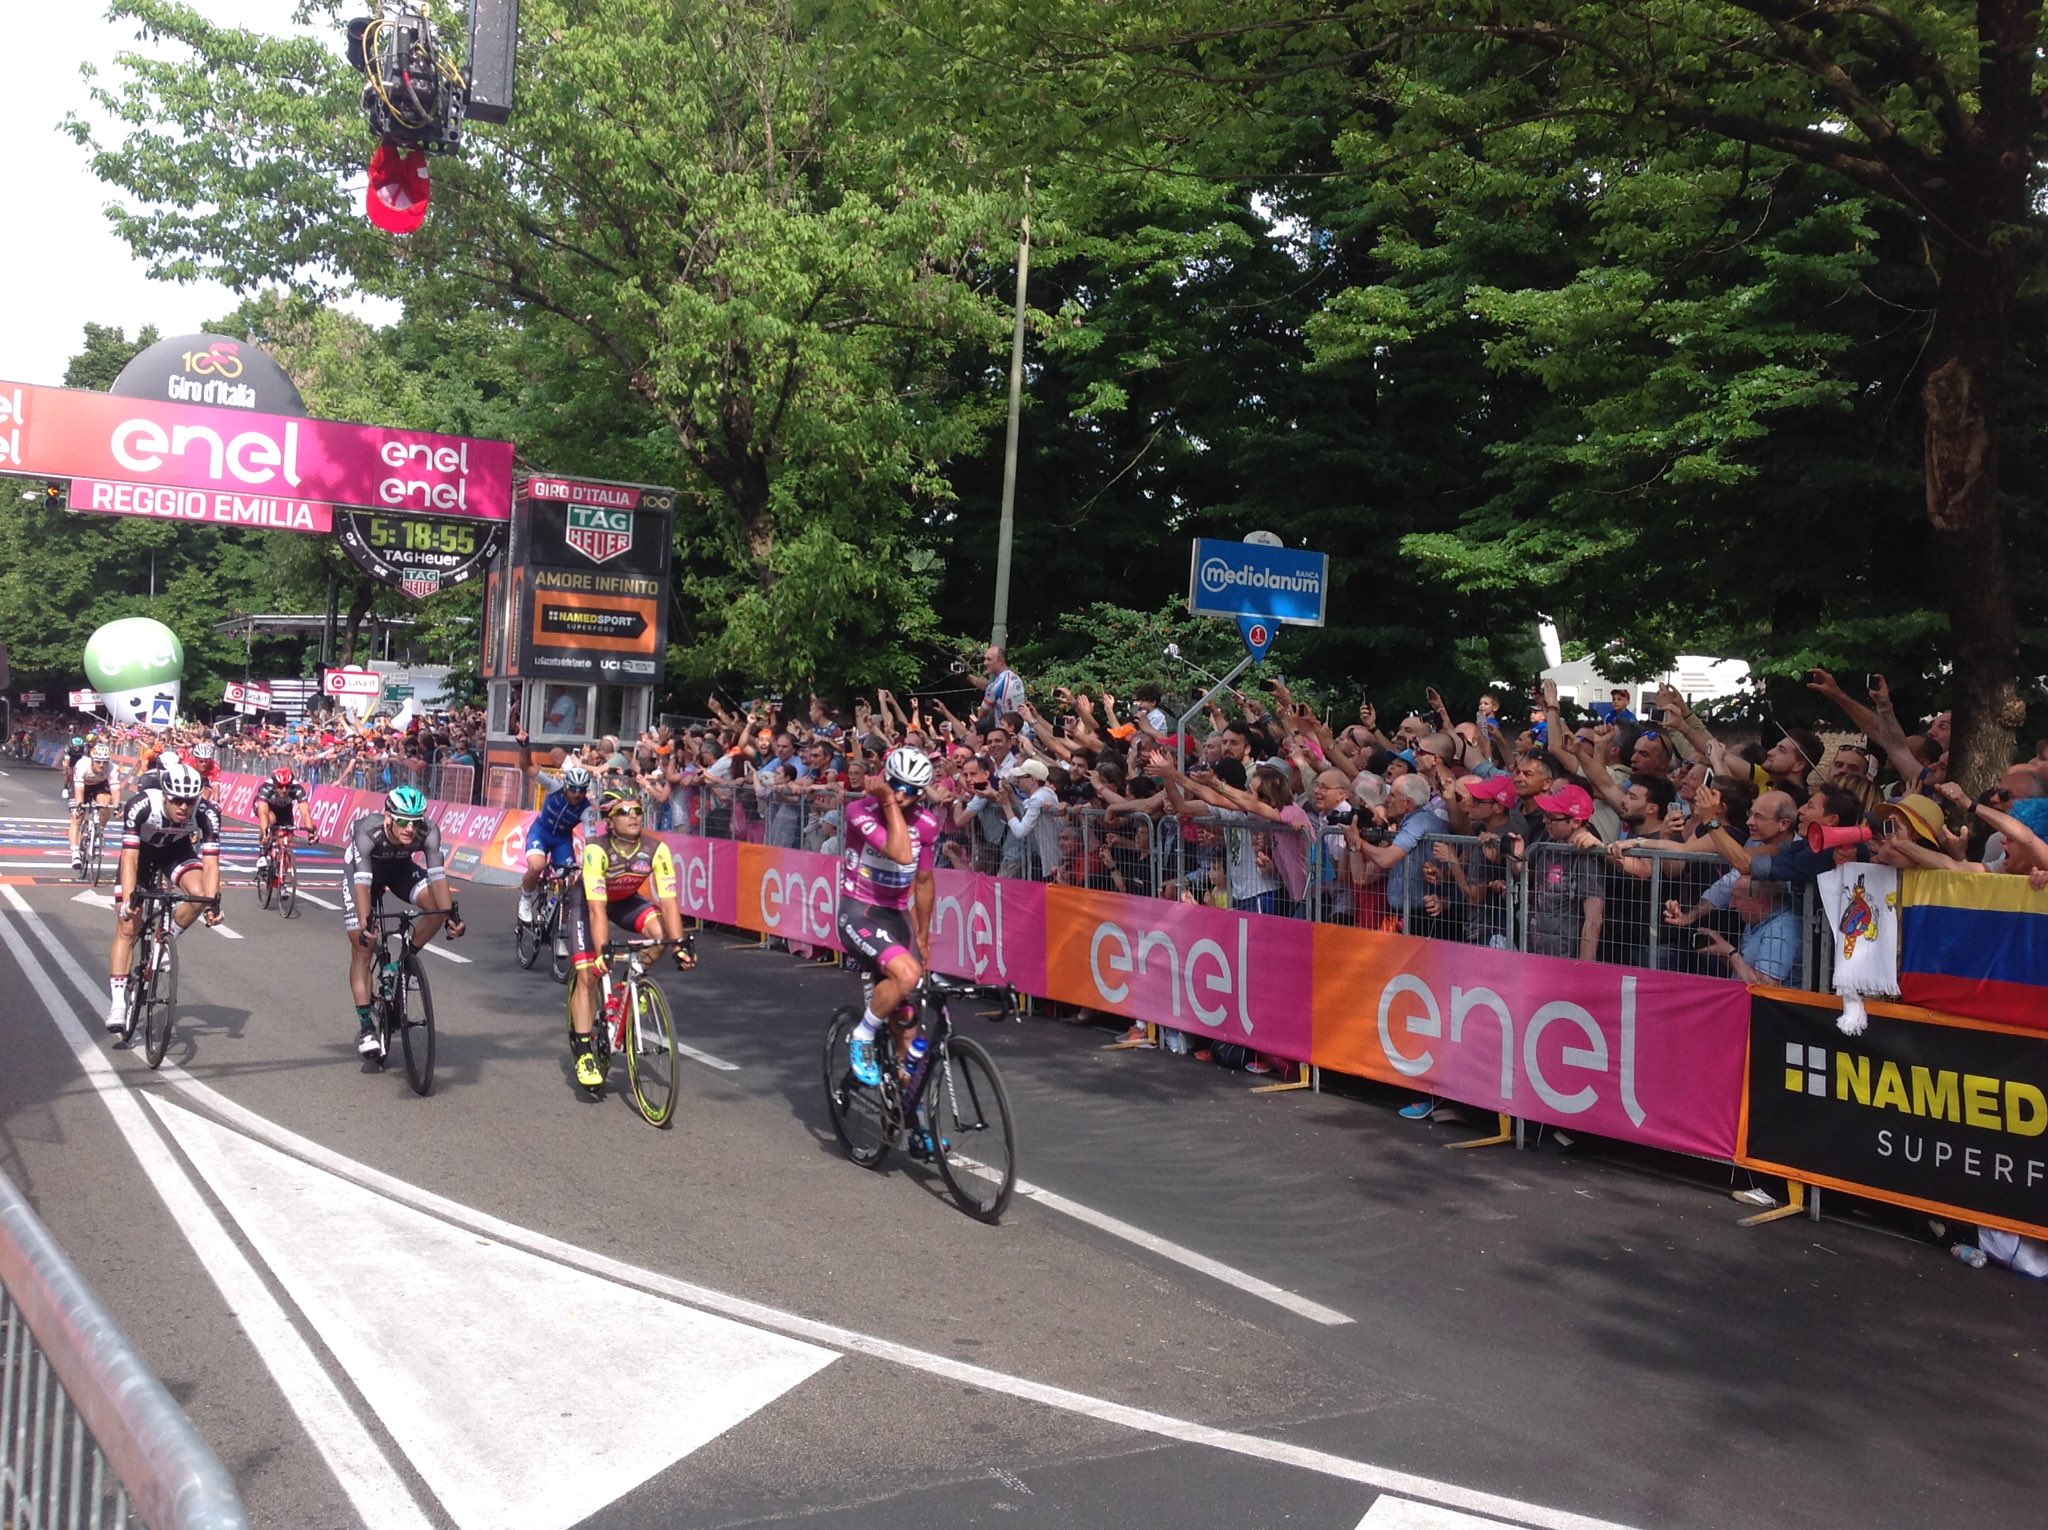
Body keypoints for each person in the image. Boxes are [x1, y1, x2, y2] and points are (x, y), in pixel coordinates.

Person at [564, 787, 694, 1088]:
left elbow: (669, 901)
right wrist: (603, 953)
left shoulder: (656, 849)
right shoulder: (596, 850)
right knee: (588, 975)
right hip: (589, 904)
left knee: (660, 935)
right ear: (609, 821)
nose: (633, 816)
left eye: (637, 810)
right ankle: (584, 1051)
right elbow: (597, 911)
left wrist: (679, 945)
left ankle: (627, 985)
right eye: (624, 812)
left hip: (624, 901)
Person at [837, 747, 942, 1091]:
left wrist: (923, 935)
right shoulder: (859, 809)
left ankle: (909, 1110)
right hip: (859, 910)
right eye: (895, 784)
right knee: (907, 973)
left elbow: (923, 881)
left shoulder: (927, 824)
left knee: (909, 1029)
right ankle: (863, 1034)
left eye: (909, 790)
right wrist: (887, 801)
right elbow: (900, 852)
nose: (899, 794)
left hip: (897, 916)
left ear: (921, 793)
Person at [344, 786, 464, 1058]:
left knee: (437, 909)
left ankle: (400, 965)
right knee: (362, 947)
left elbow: (438, 877)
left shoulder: (428, 831)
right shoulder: (367, 831)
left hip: (399, 870)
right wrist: (365, 924)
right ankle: (366, 1028)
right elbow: (362, 884)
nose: (410, 828)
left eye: (415, 821)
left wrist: (450, 916)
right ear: (388, 817)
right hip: (363, 874)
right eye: (402, 821)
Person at [107, 762, 222, 1033]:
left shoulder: (207, 813)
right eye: (177, 800)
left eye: (190, 801)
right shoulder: (141, 805)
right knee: (128, 925)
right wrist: (129, 900)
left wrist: (213, 903)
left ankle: (165, 939)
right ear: (165, 795)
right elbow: (130, 857)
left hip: (175, 851)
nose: (184, 807)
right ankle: (118, 1004)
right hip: (141, 853)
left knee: (201, 895)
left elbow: (211, 863)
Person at [514, 730, 595, 924]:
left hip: (562, 841)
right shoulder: (554, 785)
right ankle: (525, 899)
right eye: (573, 789)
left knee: (569, 883)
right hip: (541, 832)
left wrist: (589, 866)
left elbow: (591, 842)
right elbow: (527, 767)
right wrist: (525, 746)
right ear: (566, 786)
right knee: (537, 866)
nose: (577, 794)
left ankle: (557, 920)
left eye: (581, 790)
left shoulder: (587, 810)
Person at [253, 766, 312, 884]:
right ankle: (262, 853)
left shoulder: (297, 789)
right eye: (280, 786)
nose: (284, 790)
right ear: (275, 784)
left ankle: (280, 880)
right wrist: (265, 832)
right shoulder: (266, 788)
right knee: (271, 819)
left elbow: (305, 812)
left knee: (286, 841)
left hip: (284, 808)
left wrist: (311, 832)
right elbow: (263, 813)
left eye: (287, 786)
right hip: (266, 806)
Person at [69, 744, 120, 870]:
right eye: (98, 761)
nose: (102, 765)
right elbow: (79, 790)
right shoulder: (82, 765)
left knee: (104, 805)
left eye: (105, 762)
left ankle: (98, 832)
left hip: (100, 785)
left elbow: (115, 790)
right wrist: (79, 807)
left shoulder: (113, 768)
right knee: (77, 816)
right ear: (91, 759)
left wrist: (117, 808)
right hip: (82, 786)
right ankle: (75, 852)